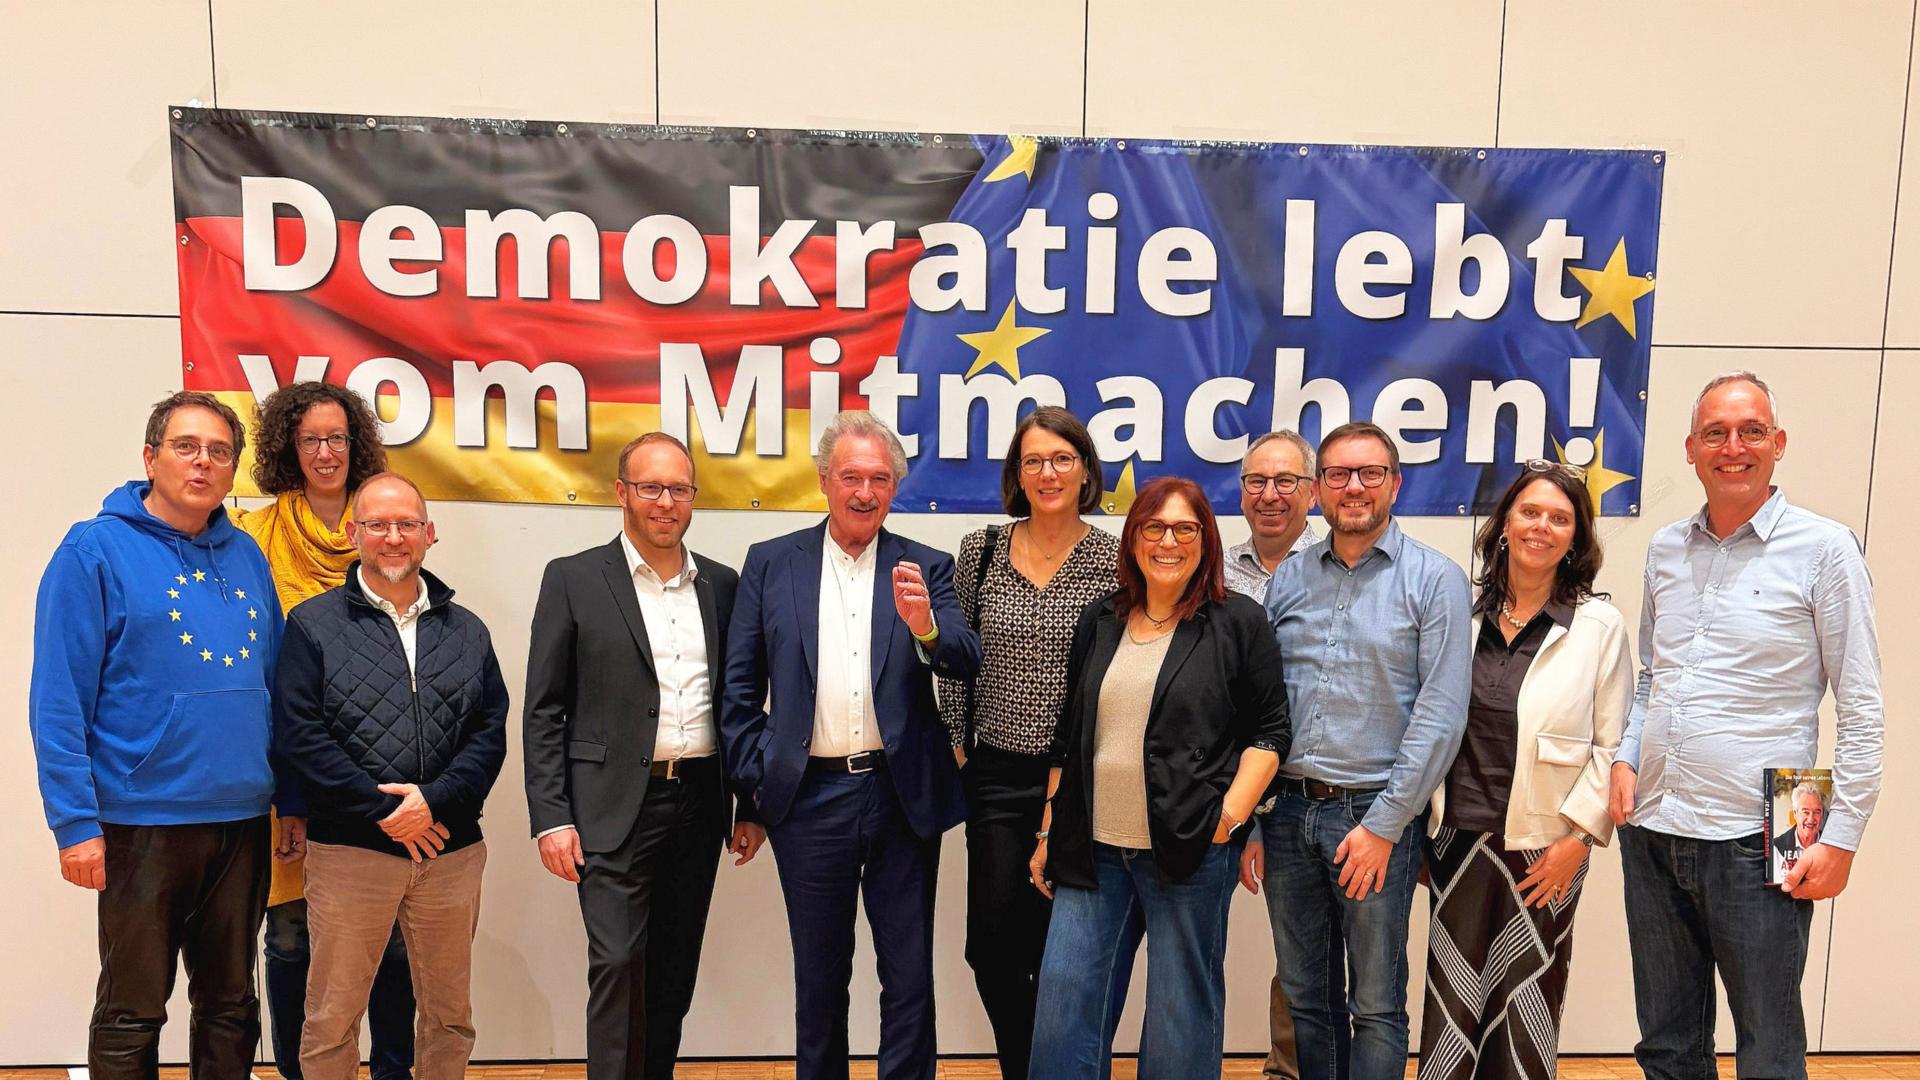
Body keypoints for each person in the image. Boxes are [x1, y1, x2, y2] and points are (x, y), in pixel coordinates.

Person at [1608, 371, 1882, 1080]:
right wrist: (1625, 757)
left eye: (1751, 430)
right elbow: (1651, 677)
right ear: (1691, 449)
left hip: (1780, 820)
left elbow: (1860, 704)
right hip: (1656, 821)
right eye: (1717, 433)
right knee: (1666, 1043)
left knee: (1768, 1043)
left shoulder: (1826, 548)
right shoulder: (1667, 548)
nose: (1735, 446)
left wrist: (1842, 836)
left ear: (1778, 443)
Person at [30, 391, 288, 1078]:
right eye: (186, 446)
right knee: (133, 1009)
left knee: (233, 1005)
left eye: (219, 451)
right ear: (150, 457)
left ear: (233, 470)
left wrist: (285, 799)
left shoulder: (247, 558)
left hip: (240, 820)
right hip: (140, 823)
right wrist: (74, 822)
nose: (203, 462)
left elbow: (275, 688)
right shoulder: (94, 551)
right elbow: (58, 699)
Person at [720, 410, 981, 1080]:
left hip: (900, 800)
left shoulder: (927, 566)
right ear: (823, 481)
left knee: (908, 978)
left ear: (894, 486)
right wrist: (761, 780)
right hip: (808, 800)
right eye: (851, 477)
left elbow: (963, 657)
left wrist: (925, 627)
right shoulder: (771, 564)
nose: (864, 491)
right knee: (819, 977)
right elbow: (739, 690)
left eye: (879, 478)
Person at [1026, 476, 1288, 1080]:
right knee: (1065, 1007)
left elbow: (1271, 732)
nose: (1168, 541)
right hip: (1092, 850)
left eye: (1185, 528)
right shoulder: (1102, 619)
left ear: (1206, 540)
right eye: (1154, 526)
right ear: (1135, 537)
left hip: (1190, 850)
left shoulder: (1237, 622)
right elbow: (1073, 736)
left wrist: (1226, 819)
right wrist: (1047, 832)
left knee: (1180, 1015)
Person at [523, 431, 758, 1079]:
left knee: (672, 970)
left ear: (693, 499)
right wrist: (550, 815)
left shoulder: (722, 584)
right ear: (621, 493)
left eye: (678, 489)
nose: (665, 502)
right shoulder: (572, 578)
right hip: (608, 807)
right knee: (619, 964)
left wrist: (751, 802)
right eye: (650, 487)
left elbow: (741, 703)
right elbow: (544, 707)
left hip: (699, 804)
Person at [274, 473, 509, 1080]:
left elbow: (490, 731)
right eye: (377, 525)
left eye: (407, 524)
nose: (393, 537)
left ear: (429, 534)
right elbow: (301, 735)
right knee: (332, 1018)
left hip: (449, 850)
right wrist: (385, 813)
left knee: (449, 1016)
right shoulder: (311, 625)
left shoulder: (468, 630)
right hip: (351, 851)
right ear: (355, 535)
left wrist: (433, 803)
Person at [1257, 421, 1472, 1080]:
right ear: (1317, 489)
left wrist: (1384, 826)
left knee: (1375, 1004)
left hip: (1376, 817)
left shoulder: (1436, 580)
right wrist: (1256, 817)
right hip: (1289, 815)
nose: (1354, 487)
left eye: (1369, 473)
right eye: (1339, 474)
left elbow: (1440, 715)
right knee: (1307, 999)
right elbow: (1262, 709)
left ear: (1394, 483)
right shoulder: (1290, 577)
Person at [1416, 461, 1632, 1080]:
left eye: (1560, 518)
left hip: (1545, 849)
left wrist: (1580, 840)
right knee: (1453, 1005)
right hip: (1455, 840)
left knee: (1527, 1003)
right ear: (1504, 524)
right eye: (1530, 512)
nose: (1542, 526)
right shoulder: (1462, 612)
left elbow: (1611, 744)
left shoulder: (1598, 626)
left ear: (1576, 538)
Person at [236, 380, 416, 1080]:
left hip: (380, 762)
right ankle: (297, 1071)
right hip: (291, 763)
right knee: (290, 935)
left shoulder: (386, 527)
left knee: (393, 935)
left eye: (337, 437)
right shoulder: (252, 535)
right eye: (310, 438)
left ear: (355, 444)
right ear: (289, 445)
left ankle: (393, 1069)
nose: (325, 451)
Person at [937, 406, 1118, 1080]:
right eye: (1033, 460)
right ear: (1017, 473)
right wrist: (960, 743)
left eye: (1062, 459)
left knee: (1061, 950)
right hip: (994, 775)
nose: (1048, 472)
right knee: (991, 946)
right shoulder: (981, 549)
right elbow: (953, 658)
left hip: (1080, 778)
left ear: (1085, 471)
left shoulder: (1112, 559)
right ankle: (1030, 1068)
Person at [1224, 430, 1318, 1080]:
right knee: (1291, 953)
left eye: (1286, 481)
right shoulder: (1215, 573)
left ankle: (1306, 1069)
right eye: (1258, 481)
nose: (1271, 495)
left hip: (1325, 789)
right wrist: (1247, 815)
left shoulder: (1341, 564)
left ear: (1311, 491)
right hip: (1233, 792)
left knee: (1324, 960)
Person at [1772, 783, 1827, 874]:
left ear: (1822, 815)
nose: (1811, 819)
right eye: (1805, 812)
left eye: (1817, 812)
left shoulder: (1831, 846)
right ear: (1795, 813)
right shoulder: (1776, 848)